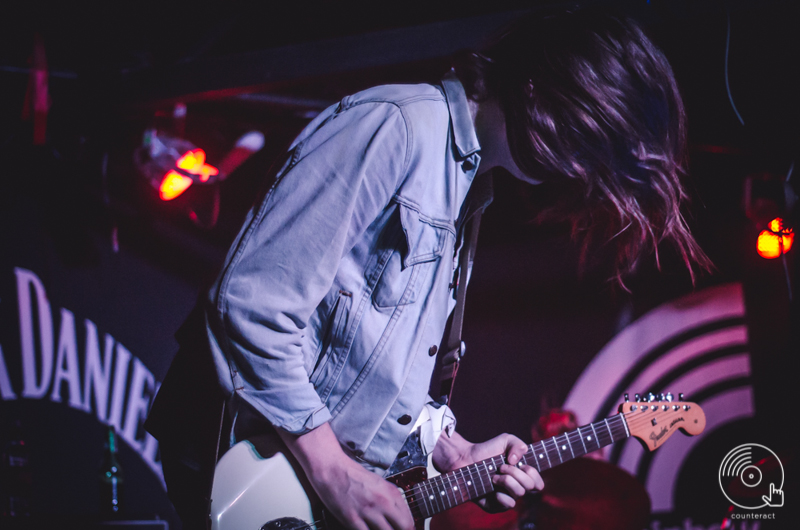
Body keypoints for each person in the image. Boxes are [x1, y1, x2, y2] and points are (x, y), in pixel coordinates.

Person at [145, 7, 709, 530]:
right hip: (244, 465)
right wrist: (335, 472)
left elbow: (372, 361)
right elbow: (251, 304)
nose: (583, 168)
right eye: (588, 141)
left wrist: (454, 451)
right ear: (543, 87)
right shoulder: (396, 128)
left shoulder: (469, 186)